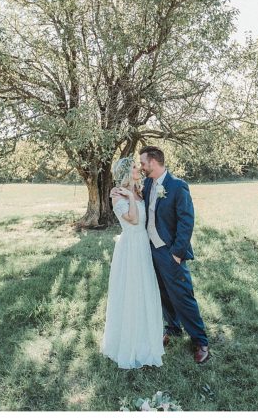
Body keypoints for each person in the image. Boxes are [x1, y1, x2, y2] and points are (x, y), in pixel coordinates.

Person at [138, 146, 210, 364]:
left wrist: (177, 254)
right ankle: (173, 328)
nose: (141, 166)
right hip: (151, 250)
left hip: (170, 253)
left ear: (153, 162)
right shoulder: (148, 184)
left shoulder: (178, 186)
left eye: (142, 162)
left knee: (182, 295)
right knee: (163, 293)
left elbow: (186, 222)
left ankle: (200, 341)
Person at [101, 156, 165, 369]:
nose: (139, 169)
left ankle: (146, 337)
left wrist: (132, 192)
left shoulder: (140, 189)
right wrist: (128, 194)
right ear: (127, 172)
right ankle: (130, 342)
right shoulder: (118, 196)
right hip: (130, 247)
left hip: (143, 245)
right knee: (131, 291)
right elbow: (134, 219)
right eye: (135, 167)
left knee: (145, 290)